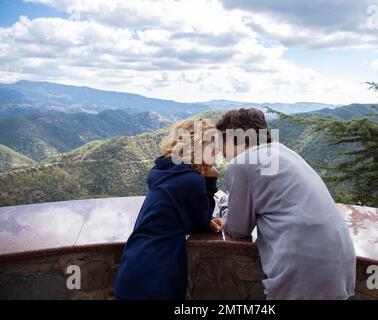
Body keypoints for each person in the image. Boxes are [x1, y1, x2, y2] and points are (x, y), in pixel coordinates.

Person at [215, 108, 356, 300]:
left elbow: (237, 229)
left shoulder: (241, 163)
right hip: (341, 261)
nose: (221, 151)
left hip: (302, 266)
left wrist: (224, 204)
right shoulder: (284, 151)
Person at [114, 118, 224, 300]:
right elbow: (199, 223)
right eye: (212, 144)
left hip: (133, 266)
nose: (217, 150)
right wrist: (210, 181)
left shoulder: (164, 171)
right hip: (157, 274)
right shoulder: (191, 181)